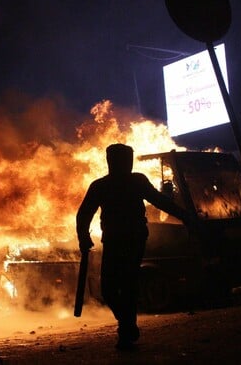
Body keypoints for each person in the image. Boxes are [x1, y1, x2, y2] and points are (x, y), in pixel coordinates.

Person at [76, 143, 193, 350]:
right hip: (112, 241)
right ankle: (127, 324)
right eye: (123, 159)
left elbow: (159, 201)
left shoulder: (137, 181)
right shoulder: (100, 185)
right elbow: (84, 213)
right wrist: (83, 237)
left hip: (134, 240)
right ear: (111, 161)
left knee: (127, 286)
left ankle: (125, 331)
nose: (126, 164)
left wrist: (184, 215)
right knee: (109, 289)